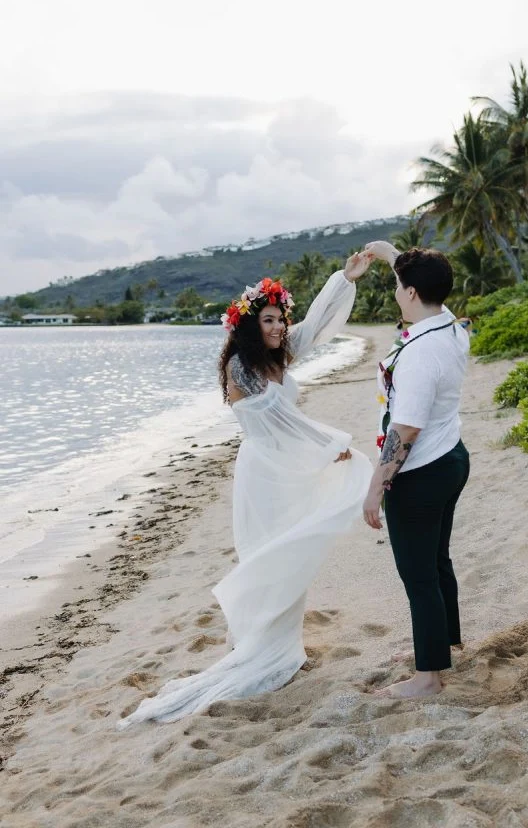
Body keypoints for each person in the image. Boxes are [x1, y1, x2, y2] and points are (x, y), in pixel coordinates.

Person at [118, 254, 372, 727]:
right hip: (264, 474)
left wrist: (343, 278)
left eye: (280, 319)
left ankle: (281, 646)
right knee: (265, 556)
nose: (279, 327)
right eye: (270, 321)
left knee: (289, 557)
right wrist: (328, 444)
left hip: (289, 468)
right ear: (250, 326)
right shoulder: (241, 367)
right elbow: (277, 418)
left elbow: (316, 325)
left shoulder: (278, 354)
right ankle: (253, 648)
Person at [362, 242, 471, 699]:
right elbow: (418, 283)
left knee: (418, 574)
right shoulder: (452, 326)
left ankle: (428, 678)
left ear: (409, 293)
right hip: (452, 458)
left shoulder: (421, 354)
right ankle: (445, 643)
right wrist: (392, 256)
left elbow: (404, 430)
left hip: (422, 472)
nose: (395, 293)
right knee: (437, 560)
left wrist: (375, 488)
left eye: (397, 287)